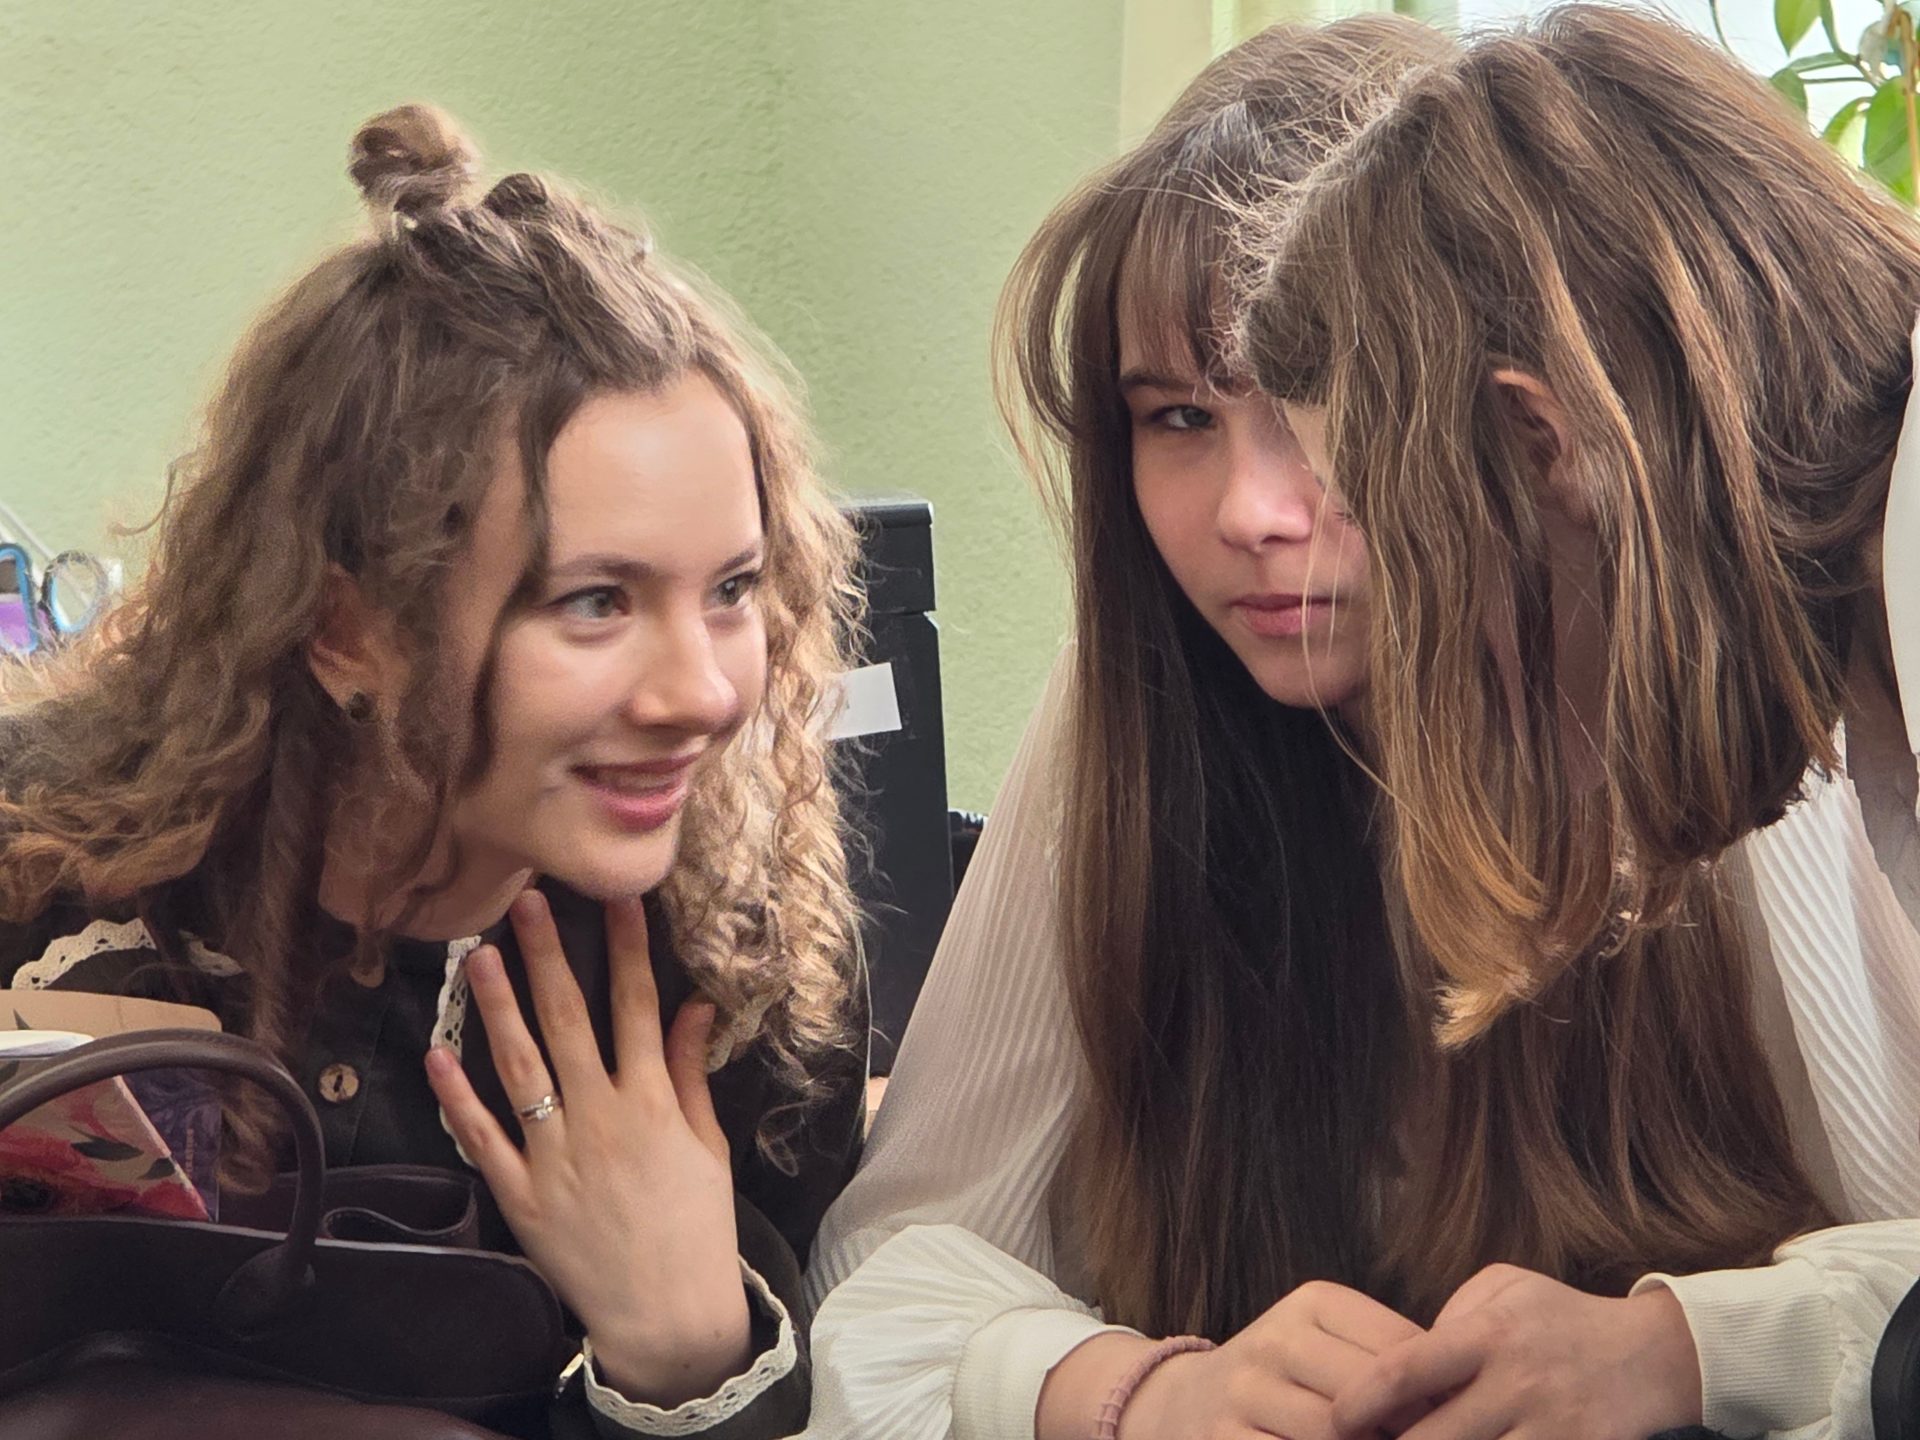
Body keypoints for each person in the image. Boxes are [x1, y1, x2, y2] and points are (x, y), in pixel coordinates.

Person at [802, 13, 1917, 1440]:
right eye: (1180, 420)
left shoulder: (1739, 670)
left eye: (1323, 422)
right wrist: (1139, 1390)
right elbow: (888, 1262)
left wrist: (1695, 1345)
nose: (1254, 514)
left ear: (1531, 433)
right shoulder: (1138, 713)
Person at [0, 103, 866, 1440]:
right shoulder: (42, 876)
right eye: (594, 602)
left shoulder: (754, 988)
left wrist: (691, 1356)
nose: (700, 691)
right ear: (347, 628)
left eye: (734, 589)